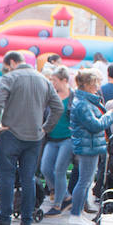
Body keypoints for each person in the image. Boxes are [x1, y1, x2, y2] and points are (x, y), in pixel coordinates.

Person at [0, 51, 62, 225]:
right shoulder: (43, 79)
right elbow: (57, 107)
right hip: (35, 136)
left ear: (12, 63)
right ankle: (26, 219)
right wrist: (45, 127)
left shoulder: (10, 78)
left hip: (11, 133)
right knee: (28, 177)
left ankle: (5, 218)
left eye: (6, 67)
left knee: (7, 176)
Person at [69, 69, 113, 225]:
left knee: (84, 181)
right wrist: (111, 115)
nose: (98, 86)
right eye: (96, 82)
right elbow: (95, 125)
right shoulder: (84, 104)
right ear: (89, 84)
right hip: (88, 147)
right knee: (84, 181)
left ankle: (78, 214)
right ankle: (75, 215)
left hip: (88, 146)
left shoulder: (83, 101)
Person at [38, 65, 75, 217]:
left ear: (64, 80)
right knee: (45, 168)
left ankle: (58, 204)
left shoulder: (73, 97)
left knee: (59, 170)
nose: (52, 83)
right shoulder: (51, 96)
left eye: (55, 80)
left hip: (67, 138)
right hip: (52, 138)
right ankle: (65, 195)